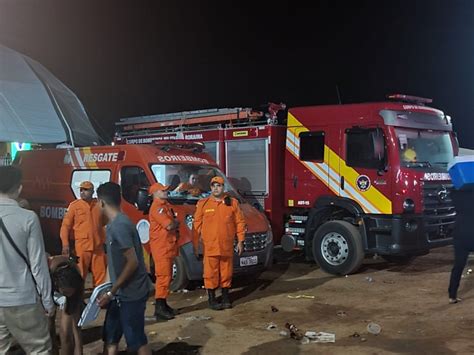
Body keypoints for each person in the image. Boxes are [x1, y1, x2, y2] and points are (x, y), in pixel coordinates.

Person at [0, 166, 55, 354]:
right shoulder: (28, 218)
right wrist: (48, 301)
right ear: (19, 188)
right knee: (40, 350)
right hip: (23, 299)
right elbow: (38, 265)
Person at [96, 182, 151, 355]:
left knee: (136, 341)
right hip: (119, 294)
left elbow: (132, 262)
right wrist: (105, 290)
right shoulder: (113, 225)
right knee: (110, 338)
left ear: (102, 202)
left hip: (131, 294)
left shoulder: (120, 226)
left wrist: (112, 291)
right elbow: (113, 263)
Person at [193, 176, 246, 310]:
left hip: (226, 246)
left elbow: (239, 223)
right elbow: (196, 226)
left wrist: (240, 241)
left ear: (223, 188)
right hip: (210, 247)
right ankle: (212, 300)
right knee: (210, 274)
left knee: (226, 273)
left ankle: (225, 298)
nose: (216, 188)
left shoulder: (232, 203)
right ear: (210, 188)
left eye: (219, 185)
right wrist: (196, 245)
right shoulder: (203, 204)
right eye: (214, 186)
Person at [60, 181, 107, 286]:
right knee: (80, 274)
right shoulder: (74, 206)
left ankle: (99, 296)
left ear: (92, 191)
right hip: (82, 247)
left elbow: (104, 223)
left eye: (86, 190)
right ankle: (78, 297)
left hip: (98, 246)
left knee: (101, 275)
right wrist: (65, 244)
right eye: (81, 190)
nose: (82, 192)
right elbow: (65, 226)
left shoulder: (98, 205)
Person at [148, 182, 179, 321]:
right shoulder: (157, 208)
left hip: (167, 245)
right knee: (163, 277)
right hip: (161, 247)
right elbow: (170, 225)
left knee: (167, 277)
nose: (165, 192)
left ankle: (163, 304)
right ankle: (159, 308)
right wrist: (176, 223)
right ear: (155, 193)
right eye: (162, 190)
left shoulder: (165, 206)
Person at [49, 255, 84, 355]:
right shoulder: (46, 273)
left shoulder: (76, 280)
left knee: (69, 331)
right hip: (46, 289)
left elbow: (70, 333)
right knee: (49, 328)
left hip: (71, 292)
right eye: (65, 292)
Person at [448, 186, 474, 304]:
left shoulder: (456, 192)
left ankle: (452, 295)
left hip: (459, 232)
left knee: (458, 266)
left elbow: (452, 192)